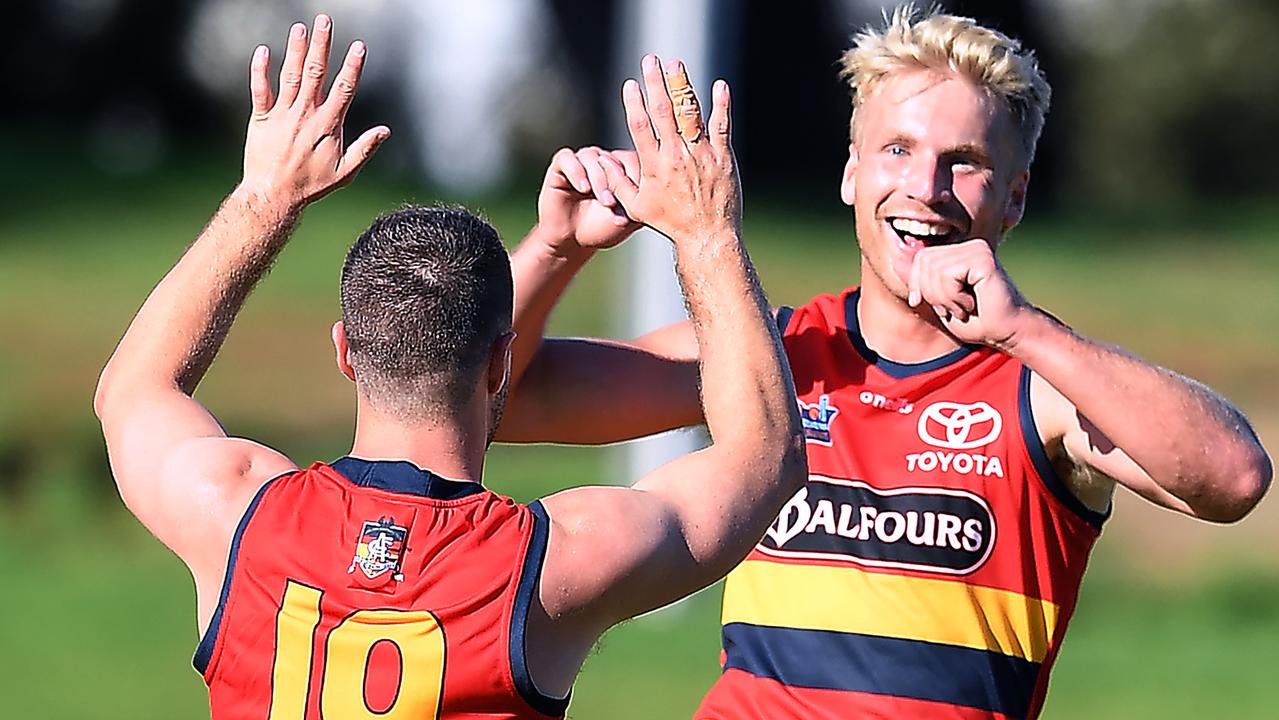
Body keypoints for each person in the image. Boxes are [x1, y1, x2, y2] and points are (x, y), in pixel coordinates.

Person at [499, 6, 1273, 720]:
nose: (924, 188)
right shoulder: (767, 355)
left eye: (962, 160)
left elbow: (1232, 478)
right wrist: (553, 249)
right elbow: (503, 399)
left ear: (1014, 197)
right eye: (897, 149)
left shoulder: (1041, 387)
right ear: (850, 173)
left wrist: (1023, 332)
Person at [93, 15, 805, 719]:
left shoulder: (231, 507)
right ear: (503, 361)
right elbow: (767, 454)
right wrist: (705, 231)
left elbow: (131, 389)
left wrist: (263, 198)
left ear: (346, 350)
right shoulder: (556, 563)